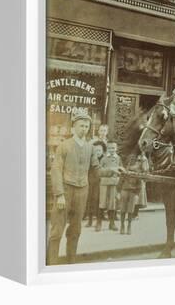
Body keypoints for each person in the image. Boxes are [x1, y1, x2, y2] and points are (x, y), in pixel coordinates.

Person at [47, 111, 120, 265]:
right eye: (81, 126)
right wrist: (59, 194)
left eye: (87, 126)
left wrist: (112, 170)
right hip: (65, 191)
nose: (84, 129)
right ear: (73, 127)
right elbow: (56, 171)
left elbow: (97, 170)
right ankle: (51, 263)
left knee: (75, 230)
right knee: (56, 231)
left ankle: (71, 262)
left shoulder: (90, 148)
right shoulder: (64, 146)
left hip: (82, 192)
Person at [118, 153, 148, 235]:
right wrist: (118, 192)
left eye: (133, 161)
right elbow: (120, 182)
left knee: (130, 210)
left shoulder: (137, 172)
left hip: (133, 192)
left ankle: (129, 226)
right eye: (130, 161)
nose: (131, 163)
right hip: (124, 190)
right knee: (123, 209)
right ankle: (122, 226)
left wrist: (137, 194)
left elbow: (139, 185)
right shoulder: (124, 171)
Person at [97, 141, 122, 231]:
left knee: (112, 204)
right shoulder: (104, 159)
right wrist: (111, 169)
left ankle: (112, 223)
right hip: (104, 183)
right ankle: (98, 223)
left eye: (113, 148)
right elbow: (99, 171)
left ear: (116, 148)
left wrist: (120, 171)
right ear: (107, 149)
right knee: (102, 203)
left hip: (114, 184)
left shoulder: (118, 159)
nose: (112, 150)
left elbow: (121, 170)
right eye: (110, 148)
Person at [84, 139, 106, 228]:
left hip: (101, 184)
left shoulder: (104, 160)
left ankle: (99, 222)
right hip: (90, 183)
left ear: (103, 151)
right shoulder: (90, 160)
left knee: (99, 202)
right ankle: (89, 220)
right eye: (95, 150)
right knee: (90, 201)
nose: (97, 152)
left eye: (99, 150)